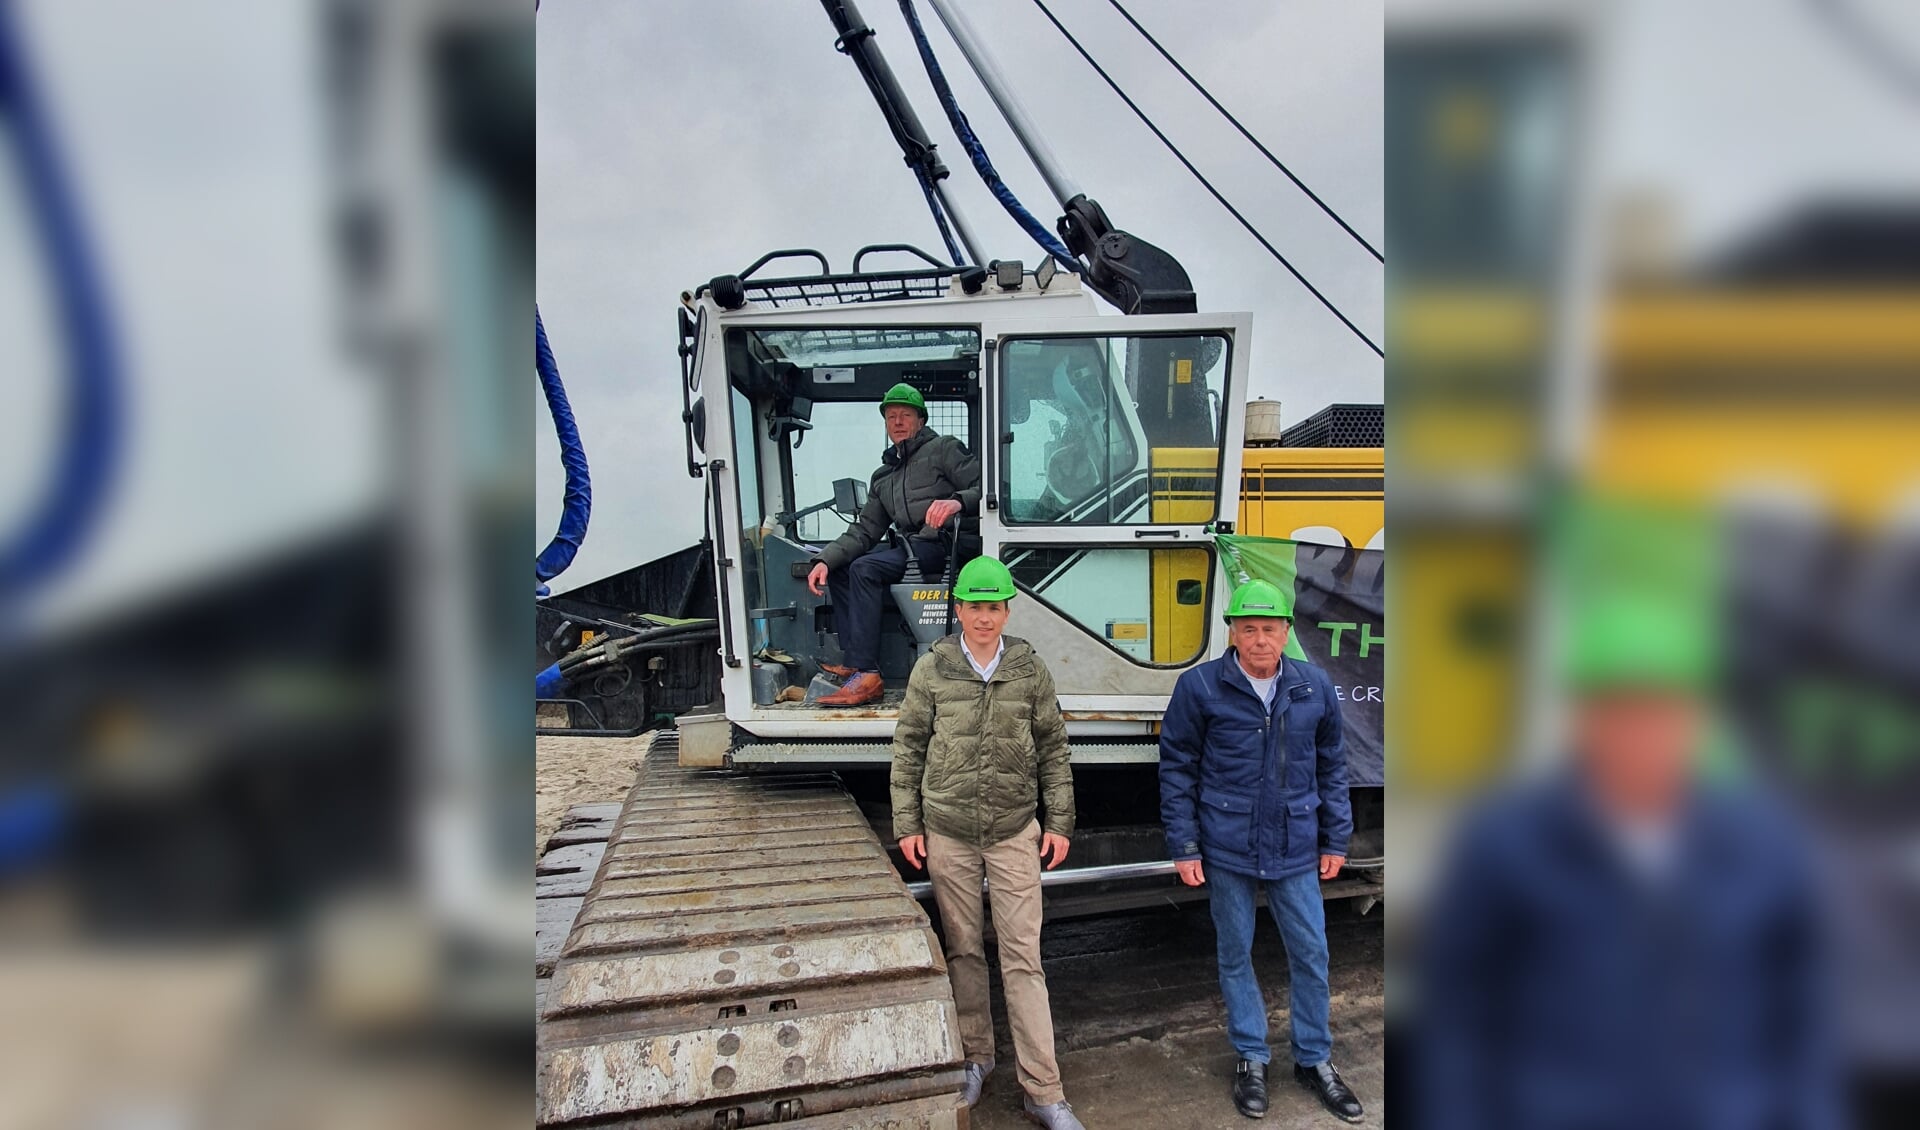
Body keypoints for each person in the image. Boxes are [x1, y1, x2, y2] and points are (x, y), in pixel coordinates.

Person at [1414, 590, 1838, 1130]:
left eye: (1663, 709)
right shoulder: (1508, 843)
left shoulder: (1766, 845)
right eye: (1620, 709)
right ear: (1580, 717)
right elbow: (1461, 1021)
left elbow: (1804, 1025)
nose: (1643, 733)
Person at [1159, 578, 1364, 1123]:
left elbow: (1332, 767)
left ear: (1286, 632)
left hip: (1296, 844)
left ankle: (1314, 1059)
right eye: (1247, 628)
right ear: (1231, 632)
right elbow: (1177, 770)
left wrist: (1335, 838)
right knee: (1235, 954)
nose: (1259, 639)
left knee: (1312, 955)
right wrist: (1185, 845)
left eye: (1269, 628)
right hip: (1226, 846)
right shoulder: (1200, 687)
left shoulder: (1314, 687)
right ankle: (1251, 1056)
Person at [890, 556, 1084, 1129]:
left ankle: (1044, 1090)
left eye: (993, 607)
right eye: (974, 606)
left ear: (1006, 610)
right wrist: (908, 824)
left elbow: (1052, 747)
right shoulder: (933, 670)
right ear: (958, 610)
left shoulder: (1029, 670)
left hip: (1012, 831)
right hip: (947, 831)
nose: (983, 617)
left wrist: (1060, 822)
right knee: (965, 951)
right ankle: (977, 1058)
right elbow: (909, 750)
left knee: (1023, 958)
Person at [805, 383, 980, 707]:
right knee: (844, 570)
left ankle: (868, 676)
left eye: (906, 415)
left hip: (948, 544)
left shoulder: (944, 449)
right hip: (914, 550)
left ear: (921, 420)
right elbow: (864, 530)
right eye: (891, 416)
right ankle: (856, 662)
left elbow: (986, 486)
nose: (898, 422)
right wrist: (825, 561)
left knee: (867, 568)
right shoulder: (883, 476)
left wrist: (957, 502)